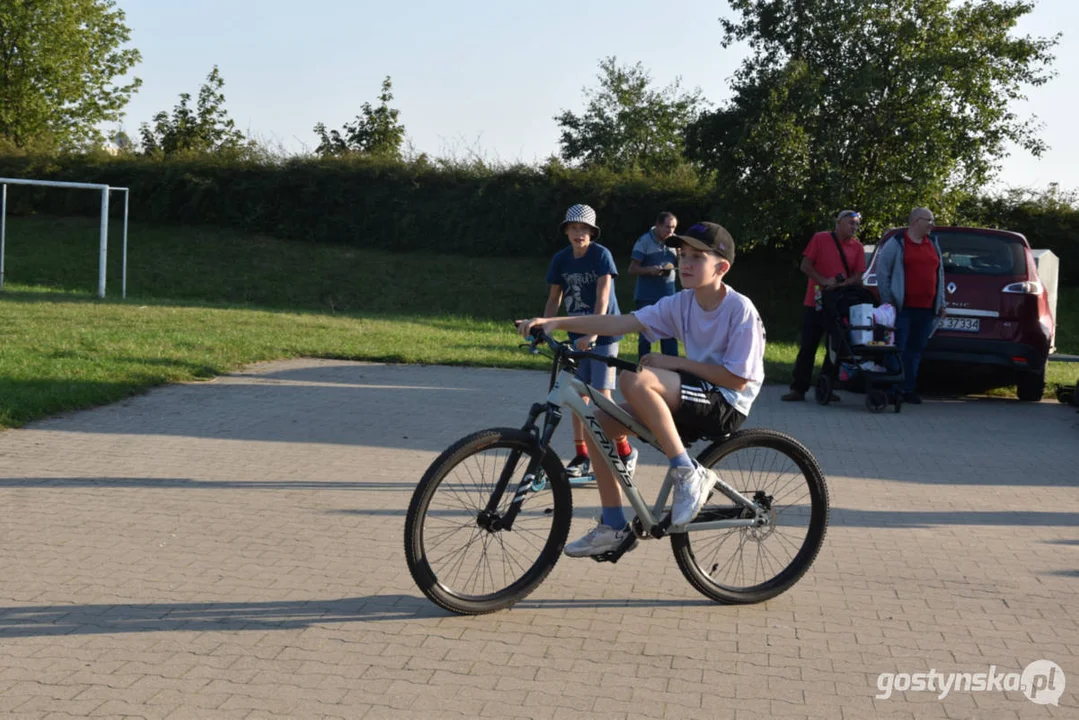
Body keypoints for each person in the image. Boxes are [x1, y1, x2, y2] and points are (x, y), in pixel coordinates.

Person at [519, 222, 766, 558]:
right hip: (692, 393)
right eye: (682, 255)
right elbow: (620, 323)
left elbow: (738, 380)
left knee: (635, 378)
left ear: (722, 267)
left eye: (697, 256)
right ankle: (612, 525)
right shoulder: (682, 302)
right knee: (598, 424)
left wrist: (674, 362)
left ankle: (687, 474)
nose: (686, 263)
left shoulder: (740, 310)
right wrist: (554, 322)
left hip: (725, 403)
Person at [543, 204, 638, 479]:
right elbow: (554, 299)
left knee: (602, 396)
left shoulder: (601, 255)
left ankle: (624, 451)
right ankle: (582, 455)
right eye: (573, 228)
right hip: (578, 335)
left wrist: (593, 334)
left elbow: (603, 297)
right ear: (566, 231)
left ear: (592, 232)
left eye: (583, 228)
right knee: (576, 396)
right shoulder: (561, 259)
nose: (578, 233)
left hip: (604, 333)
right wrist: (544, 327)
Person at [782, 210, 867, 402]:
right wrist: (823, 281)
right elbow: (805, 265)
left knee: (836, 347)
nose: (854, 227)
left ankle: (827, 386)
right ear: (838, 223)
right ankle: (798, 388)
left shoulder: (857, 247)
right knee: (808, 346)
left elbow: (858, 275)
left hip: (838, 305)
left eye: (856, 224)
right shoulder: (820, 239)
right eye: (850, 223)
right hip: (816, 302)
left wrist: (844, 283)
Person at [874, 207, 946, 404]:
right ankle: (893, 388)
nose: (933, 224)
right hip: (902, 308)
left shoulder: (932, 243)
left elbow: (939, 274)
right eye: (929, 220)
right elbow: (883, 272)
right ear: (915, 221)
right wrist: (889, 301)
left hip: (926, 308)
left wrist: (941, 302)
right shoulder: (897, 243)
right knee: (898, 349)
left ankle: (908, 389)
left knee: (916, 349)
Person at [628, 211, 680, 358]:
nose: (671, 231)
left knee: (670, 334)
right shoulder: (644, 241)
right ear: (657, 225)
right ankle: (642, 368)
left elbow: (682, 267)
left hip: (669, 296)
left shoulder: (675, 241)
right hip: (646, 296)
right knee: (645, 336)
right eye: (667, 227)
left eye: (674, 227)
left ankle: (672, 370)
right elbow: (632, 269)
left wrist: (680, 253)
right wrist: (649, 270)